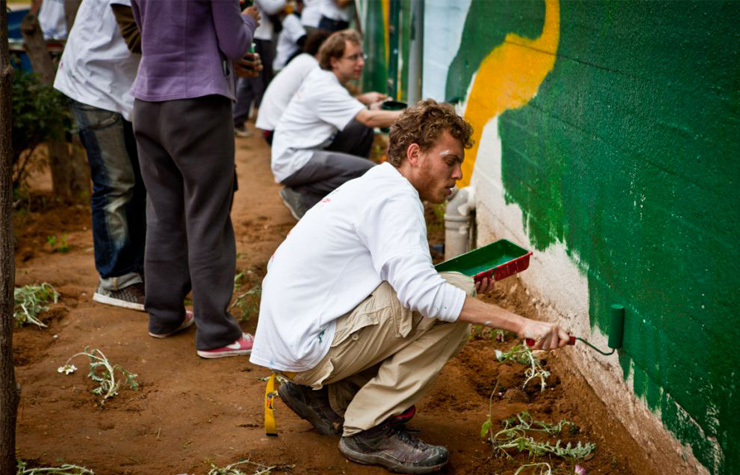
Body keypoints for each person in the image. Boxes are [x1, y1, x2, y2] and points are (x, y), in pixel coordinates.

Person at [250, 99, 571, 474]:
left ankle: (322, 397)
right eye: (450, 161)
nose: (457, 174)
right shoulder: (397, 199)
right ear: (415, 154)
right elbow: (421, 295)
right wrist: (522, 324)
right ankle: (366, 429)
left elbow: (399, 279)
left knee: (450, 288)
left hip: (295, 337)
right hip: (309, 346)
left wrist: (450, 285)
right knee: (452, 294)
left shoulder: (377, 183)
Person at [130, 0, 260, 358]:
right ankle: (216, 332)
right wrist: (248, 21)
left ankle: (164, 316)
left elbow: (146, 32)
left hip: (148, 100)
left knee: (162, 213)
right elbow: (234, 43)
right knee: (208, 213)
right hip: (197, 102)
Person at [54, 0, 146, 311]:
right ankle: (116, 280)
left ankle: (137, 269)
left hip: (123, 86)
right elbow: (137, 36)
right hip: (94, 84)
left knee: (138, 184)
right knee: (117, 183)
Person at [271, 29, 399, 219]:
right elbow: (368, 118)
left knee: (361, 130)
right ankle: (305, 195)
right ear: (334, 61)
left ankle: (346, 196)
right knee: (367, 171)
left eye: (361, 56)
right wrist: (412, 114)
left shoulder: (324, 77)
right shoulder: (326, 87)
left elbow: (349, 109)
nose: (361, 62)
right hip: (294, 160)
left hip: (302, 150)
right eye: (353, 57)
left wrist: (367, 102)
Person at [256, 30, 330, 145]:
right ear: (321, 50)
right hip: (277, 131)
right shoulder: (312, 66)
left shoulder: (303, 59)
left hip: (269, 126)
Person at [232, 0, 286, 137]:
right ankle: (266, 125)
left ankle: (238, 119)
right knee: (258, 81)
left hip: (260, 35)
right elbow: (271, 7)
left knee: (250, 81)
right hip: (256, 36)